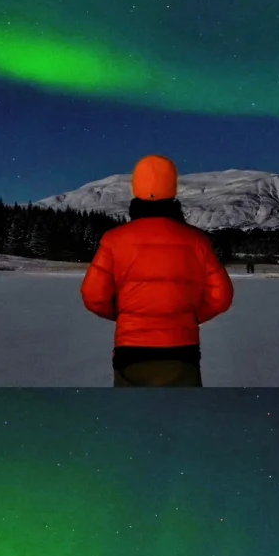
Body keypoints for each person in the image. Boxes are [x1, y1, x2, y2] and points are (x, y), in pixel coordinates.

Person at [80, 154, 234, 386]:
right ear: (173, 190)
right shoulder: (197, 241)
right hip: (182, 349)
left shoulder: (114, 240)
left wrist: (125, 314)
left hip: (130, 349)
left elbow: (93, 296)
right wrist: (188, 317)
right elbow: (221, 297)